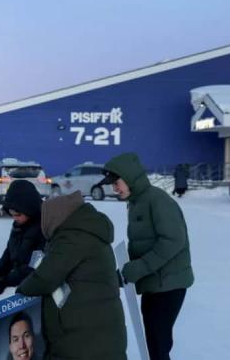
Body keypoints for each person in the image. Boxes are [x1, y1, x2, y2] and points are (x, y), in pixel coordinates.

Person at [101, 152, 194, 360]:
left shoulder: (157, 200)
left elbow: (173, 241)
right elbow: (143, 243)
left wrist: (139, 268)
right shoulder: (136, 202)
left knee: (158, 343)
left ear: (130, 177)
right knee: (153, 343)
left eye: (116, 183)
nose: (114, 188)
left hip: (169, 284)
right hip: (154, 283)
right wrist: (125, 270)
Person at [16, 191, 127, 360]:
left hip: (85, 336)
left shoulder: (72, 237)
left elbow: (46, 277)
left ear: (54, 218)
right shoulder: (86, 231)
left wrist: (21, 291)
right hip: (98, 329)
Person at [0, 180, 45, 294]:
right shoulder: (18, 225)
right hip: (18, 284)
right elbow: (9, 252)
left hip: (34, 287)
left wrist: (11, 279)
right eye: (12, 214)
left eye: (18, 215)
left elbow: (37, 264)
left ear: (29, 209)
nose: (15, 218)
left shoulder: (43, 228)